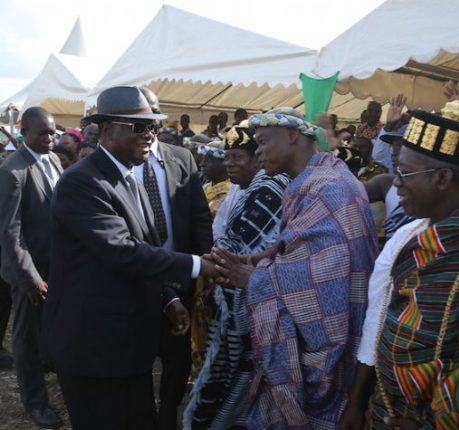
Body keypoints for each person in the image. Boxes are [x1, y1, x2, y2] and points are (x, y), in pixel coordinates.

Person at [341, 106, 459, 430]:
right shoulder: (415, 234)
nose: (396, 183)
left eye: (405, 173)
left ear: (442, 178)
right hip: (386, 410)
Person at [41, 86, 220, 430]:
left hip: (125, 346)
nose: (150, 134)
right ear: (106, 129)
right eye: (140, 126)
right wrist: (198, 265)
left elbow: (145, 244)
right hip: (94, 347)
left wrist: (168, 299)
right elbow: (122, 250)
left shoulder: (126, 176)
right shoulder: (83, 182)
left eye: (154, 126)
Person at [210, 108, 378, 429]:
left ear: (292, 136)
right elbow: (301, 246)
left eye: (262, 141)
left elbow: (326, 277)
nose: (257, 151)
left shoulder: (329, 187)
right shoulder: (317, 178)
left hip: (331, 341)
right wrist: (261, 257)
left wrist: (255, 279)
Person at [185, 122, 290, 430]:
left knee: (233, 381)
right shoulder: (246, 189)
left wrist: (207, 264)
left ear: (257, 159)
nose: (230, 164)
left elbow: (238, 249)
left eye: (237, 157)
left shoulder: (267, 188)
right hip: (242, 299)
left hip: (250, 305)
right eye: (226, 157)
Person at [137, 86, 213, 430]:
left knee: (177, 362)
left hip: (181, 275)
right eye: (140, 119)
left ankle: (166, 417)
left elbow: (199, 218)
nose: (148, 126)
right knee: (137, 361)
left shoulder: (182, 158)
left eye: (153, 117)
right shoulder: (116, 163)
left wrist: (204, 268)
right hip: (135, 280)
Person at [0, 106, 63, 428]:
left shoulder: (51, 159)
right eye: (43, 133)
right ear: (25, 132)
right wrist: (30, 278)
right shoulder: (12, 170)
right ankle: (35, 402)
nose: (51, 138)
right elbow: (11, 233)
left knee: (49, 328)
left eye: (53, 132)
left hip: (54, 266)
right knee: (25, 338)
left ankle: (48, 363)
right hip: (27, 272)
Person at [198, 142, 231, 218]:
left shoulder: (228, 192)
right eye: (203, 159)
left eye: (207, 160)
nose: (202, 164)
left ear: (225, 163)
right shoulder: (207, 186)